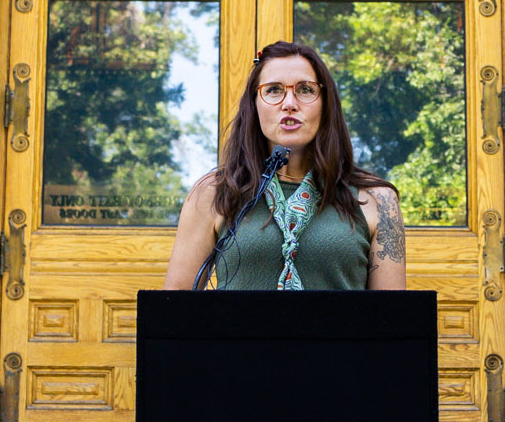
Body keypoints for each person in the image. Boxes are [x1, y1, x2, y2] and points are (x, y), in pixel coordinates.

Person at [165, 39, 408, 292]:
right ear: (254, 105)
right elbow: (175, 307)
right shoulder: (213, 193)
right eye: (273, 90)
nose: (289, 103)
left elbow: (391, 314)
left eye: (305, 90)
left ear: (326, 104)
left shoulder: (378, 200)